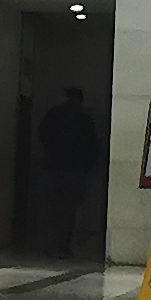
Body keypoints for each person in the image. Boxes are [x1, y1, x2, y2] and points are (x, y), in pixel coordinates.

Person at [32, 83, 100, 258]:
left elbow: (41, 135)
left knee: (50, 210)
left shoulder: (53, 114)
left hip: (51, 167)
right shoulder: (85, 119)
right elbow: (92, 147)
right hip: (74, 171)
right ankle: (63, 247)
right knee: (68, 212)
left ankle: (49, 247)